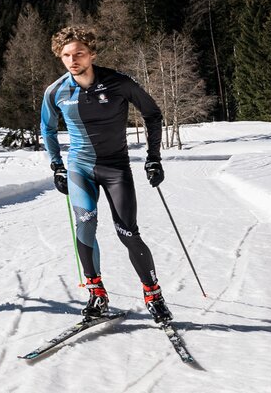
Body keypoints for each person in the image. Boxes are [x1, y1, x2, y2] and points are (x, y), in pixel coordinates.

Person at [39, 26, 173, 323]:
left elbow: (152, 114)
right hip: (80, 168)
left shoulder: (119, 83)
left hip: (115, 168)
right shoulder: (56, 91)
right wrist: (57, 165)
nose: (72, 60)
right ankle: (97, 294)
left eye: (79, 54)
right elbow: (47, 129)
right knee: (85, 223)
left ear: (92, 54)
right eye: (66, 55)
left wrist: (153, 159)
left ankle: (153, 294)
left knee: (128, 232)